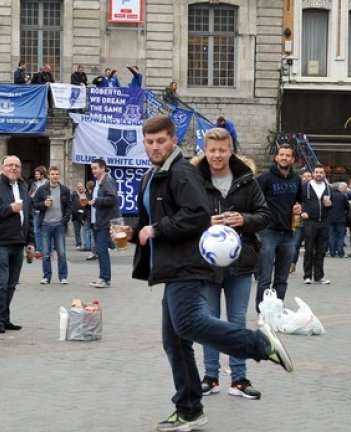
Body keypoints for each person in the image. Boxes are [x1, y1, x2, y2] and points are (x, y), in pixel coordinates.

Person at [121, 115, 292, 431]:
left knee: (189, 323)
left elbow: (198, 215)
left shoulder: (181, 172)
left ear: (174, 141)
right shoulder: (152, 176)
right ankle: (190, 409)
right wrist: (134, 233)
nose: (155, 146)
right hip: (170, 267)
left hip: (186, 265)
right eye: (149, 141)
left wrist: (156, 229)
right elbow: (153, 222)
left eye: (161, 140)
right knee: (174, 341)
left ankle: (260, 345)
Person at [192, 128, 270, 399]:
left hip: (241, 262)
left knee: (236, 322)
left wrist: (244, 219)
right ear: (204, 150)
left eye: (221, 150)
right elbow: (183, 216)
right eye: (211, 150)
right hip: (207, 264)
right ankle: (210, 377)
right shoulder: (193, 179)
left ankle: (239, 379)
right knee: (209, 322)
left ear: (230, 151)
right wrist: (205, 222)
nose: (216, 155)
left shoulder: (248, 180)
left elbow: (264, 215)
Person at [0, 155, 35, 334]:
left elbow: (29, 217)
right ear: (2, 168)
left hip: (18, 242)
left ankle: (5, 318)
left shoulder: (23, 187)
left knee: (11, 283)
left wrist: (30, 241)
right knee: (0, 282)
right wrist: (9, 209)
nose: (13, 168)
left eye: (17, 166)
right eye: (10, 165)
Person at [255, 144, 302, 310]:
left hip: (288, 234)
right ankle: (262, 311)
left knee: (282, 279)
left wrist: (299, 208)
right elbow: (254, 202)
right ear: (276, 157)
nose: (284, 158)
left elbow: (300, 201)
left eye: (288, 155)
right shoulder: (265, 178)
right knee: (265, 278)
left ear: (293, 159)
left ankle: (277, 310)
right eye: (281, 155)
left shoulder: (296, 180)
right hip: (268, 232)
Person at [33, 166, 71, 285]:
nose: (55, 176)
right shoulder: (42, 189)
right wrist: (43, 204)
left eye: (57, 174)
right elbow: (35, 204)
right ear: (48, 175)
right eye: (53, 174)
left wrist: (64, 220)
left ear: (59, 175)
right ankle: (46, 276)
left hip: (59, 224)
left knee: (62, 252)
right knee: (45, 253)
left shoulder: (65, 190)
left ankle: (63, 276)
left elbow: (69, 207)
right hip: (46, 224)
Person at [88, 158, 121, 288]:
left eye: (95, 168)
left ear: (102, 168)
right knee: (101, 250)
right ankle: (103, 277)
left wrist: (96, 201)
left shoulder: (108, 181)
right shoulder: (98, 182)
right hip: (99, 219)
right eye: (92, 169)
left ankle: (105, 278)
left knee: (101, 249)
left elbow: (112, 199)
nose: (93, 171)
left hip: (106, 221)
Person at [289, 170, 312, 274]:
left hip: (311, 221)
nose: (306, 178)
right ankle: (292, 264)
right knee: (295, 244)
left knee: (310, 246)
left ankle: (309, 268)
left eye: (308, 176)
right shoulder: (297, 189)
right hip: (298, 220)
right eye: (305, 176)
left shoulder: (314, 190)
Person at [29, 166, 48, 258]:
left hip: (45, 211)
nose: (35, 175)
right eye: (35, 174)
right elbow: (29, 196)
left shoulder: (48, 184)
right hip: (35, 210)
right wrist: (32, 196)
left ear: (42, 174)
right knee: (36, 231)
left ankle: (47, 250)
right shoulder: (34, 184)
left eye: (37, 174)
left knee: (46, 231)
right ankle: (38, 250)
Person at [327, 182, 350, 258]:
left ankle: (332, 252)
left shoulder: (329, 196)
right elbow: (347, 207)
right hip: (341, 218)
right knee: (340, 236)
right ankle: (340, 252)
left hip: (330, 218)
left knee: (331, 235)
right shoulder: (343, 196)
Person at [70, 181, 89, 251]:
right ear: (76, 188)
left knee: (86, 231)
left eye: (81, 186)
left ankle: (87, 244)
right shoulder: (73, 194)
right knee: (77, 231)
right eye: (78, 187)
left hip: (85, 215)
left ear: (83, 187)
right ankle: (78, 244)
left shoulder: (87, 193)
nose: (80, 188)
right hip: (76, 215)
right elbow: (70, 204)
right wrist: (72, 211)